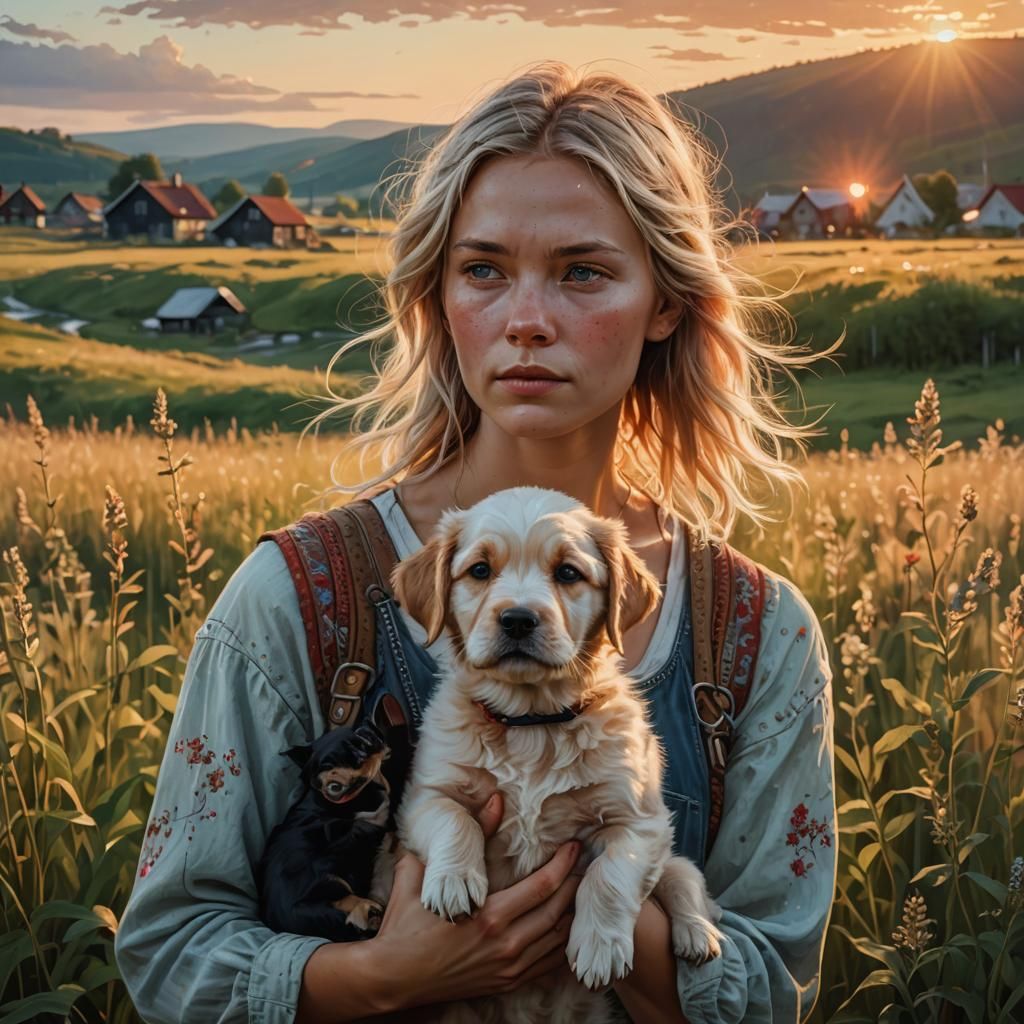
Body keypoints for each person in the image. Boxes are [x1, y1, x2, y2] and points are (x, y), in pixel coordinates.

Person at [115, 61, 839, 1024]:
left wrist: (597, 884)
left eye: (583, 271)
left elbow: (777, 988)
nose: (527, 321)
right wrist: (388, 977)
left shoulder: (758, 636)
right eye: (484, 269)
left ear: (666, 302)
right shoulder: (297, 593)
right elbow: (167, 954)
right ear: (437, 295)